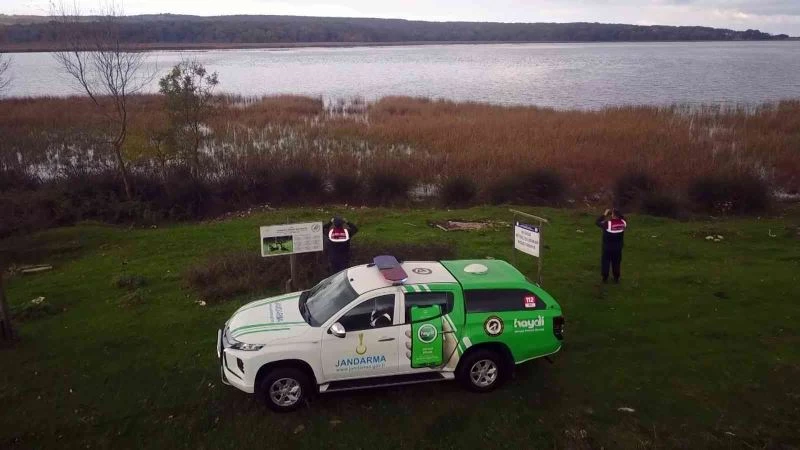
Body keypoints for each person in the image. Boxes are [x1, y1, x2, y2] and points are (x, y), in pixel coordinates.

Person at [596, 208, 627, 284]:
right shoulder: (623, 223)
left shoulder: (608, 224)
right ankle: (616, 277)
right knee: (616, 262)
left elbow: (597, 222)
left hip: (607, 247)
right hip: (618, 248)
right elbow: (623, 219)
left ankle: (605, 277)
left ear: (613, 215)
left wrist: (604, 214)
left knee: (605, 262)